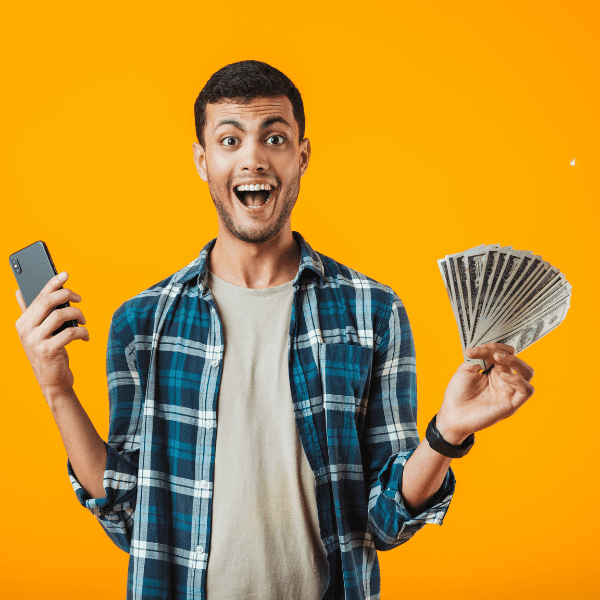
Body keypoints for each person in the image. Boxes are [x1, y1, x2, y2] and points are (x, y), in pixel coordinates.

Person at [14, 60, 535, 600]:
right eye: (230, 140)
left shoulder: (372, 311)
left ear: (302, 156)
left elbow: (384, 521)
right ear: (202, 160)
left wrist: (447, 431)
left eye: (275, 138)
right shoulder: (143, 323)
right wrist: (57, 389)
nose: (253, 159)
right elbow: (126, 516)